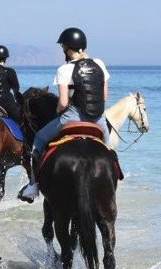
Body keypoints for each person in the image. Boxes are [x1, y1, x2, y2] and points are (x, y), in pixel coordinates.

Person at [21, 27, 110, 200]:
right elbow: (104, 95)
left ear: (68, 48)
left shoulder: (64, 69)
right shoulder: (99, 64)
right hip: (99, 119)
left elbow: (63, 103)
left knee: (39, 139)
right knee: (108, 150)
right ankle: (112, 177)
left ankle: (33, 185)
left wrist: (58, 111)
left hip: (73, 117)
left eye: (63, 46)